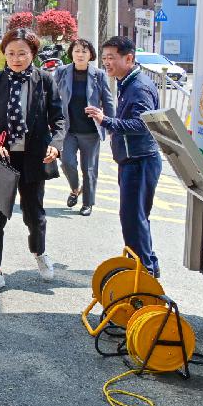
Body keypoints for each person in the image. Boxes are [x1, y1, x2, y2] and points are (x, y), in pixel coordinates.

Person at [0, 29, 65, 293]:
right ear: (4, 54)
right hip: (2, 157)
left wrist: (56, 145)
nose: (16, 59)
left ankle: (39, 252)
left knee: (34, 214)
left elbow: (59, 119)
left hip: (34, 156)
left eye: (22, 53)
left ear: (33, 54)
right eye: (11, 53)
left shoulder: (45, 80)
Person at [88, 36, 163, 277]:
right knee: (136, 217)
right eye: (105, 58)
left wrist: (106, 121)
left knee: (133, 219)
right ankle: (148, 265)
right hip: (133, 159)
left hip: (140, 160)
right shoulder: (127, 81)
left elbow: (142, 125)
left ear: (129, 58)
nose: (106, 63)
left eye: (112, 58)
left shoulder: (138, 86)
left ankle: (145, 274)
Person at [54, 38, 114, 217]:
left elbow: (108, 101)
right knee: (67, 162)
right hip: (68, 129)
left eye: (84, 51)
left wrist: (111, 126)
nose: (80, 54)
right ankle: (75, 188)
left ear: (91, 55)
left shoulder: (99, 75)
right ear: (71, 53)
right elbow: (52, 97)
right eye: (77, 51)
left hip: (90, 131)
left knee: (89, 169)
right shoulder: (62, 72)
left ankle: (88, 203)